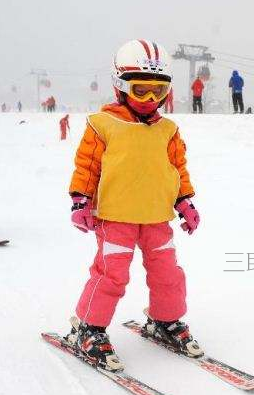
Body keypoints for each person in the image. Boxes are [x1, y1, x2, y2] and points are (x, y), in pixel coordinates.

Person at [65, 39, 203, 372]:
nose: (151, 99)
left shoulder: (168, 130)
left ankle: (165, 320)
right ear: (121, 86)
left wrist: (185, 203)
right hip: (115, 217)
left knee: (168, 274)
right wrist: (80, 201)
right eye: (141, 90)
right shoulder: (103, 125)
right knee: (111, 276)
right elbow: (87, 166)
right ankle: (87, 327)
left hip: (157, 217)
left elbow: (177, 170)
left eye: (159, 91)